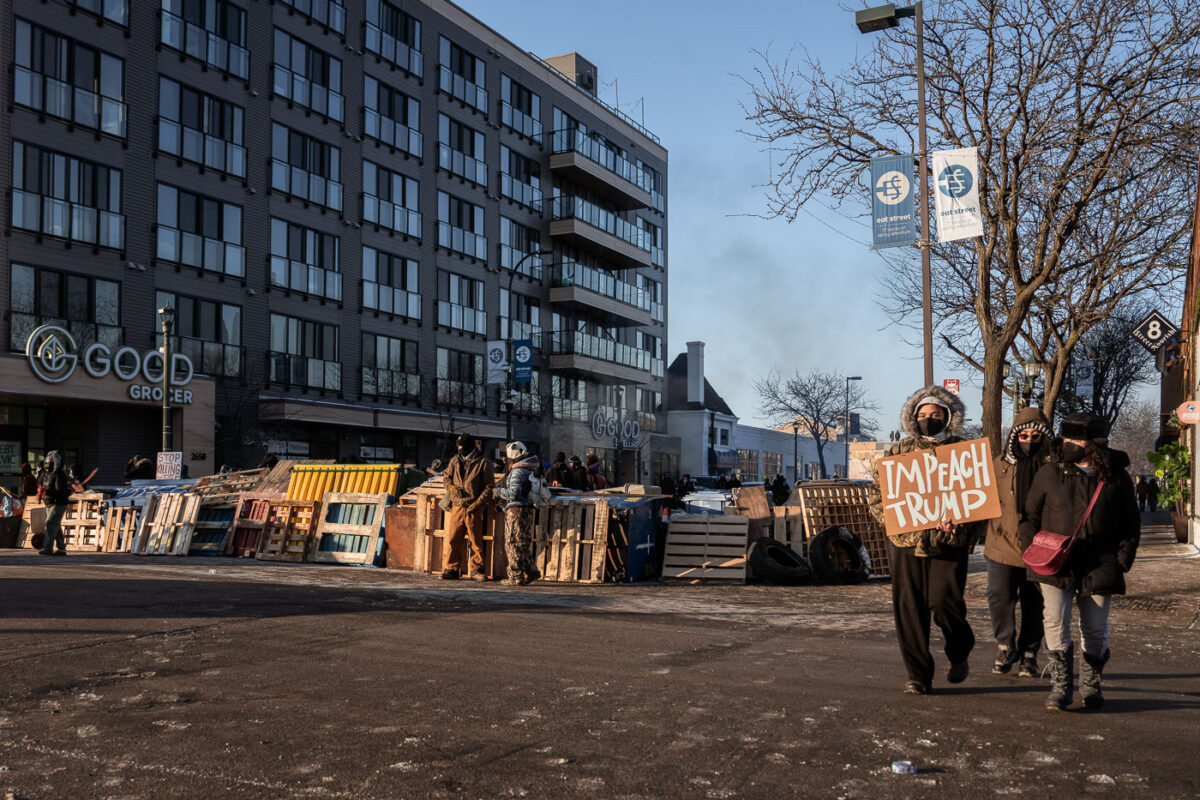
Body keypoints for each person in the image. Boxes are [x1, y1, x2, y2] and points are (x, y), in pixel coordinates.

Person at [1019, 412, 1140, 711]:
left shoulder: (1116, 476)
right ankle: (1061, 685)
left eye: (1077, 438)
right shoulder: (1050, 472)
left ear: (1094, 442)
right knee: (1055, 619)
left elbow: (1130, 523)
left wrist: (1122, 559)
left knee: (1096, 628)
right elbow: (1029, 517)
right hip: (1055, 562)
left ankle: (1090, 682)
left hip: (1101, 563)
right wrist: (1033, 553)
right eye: (1067, 437)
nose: (1069, 443)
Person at [868, 384, 981, 695]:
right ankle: (918, 675)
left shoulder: (964, 452)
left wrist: (962, 525)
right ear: (912, 418)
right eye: (922, 414)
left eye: (935, 414)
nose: (928, 418)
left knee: (945, 602)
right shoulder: (897, 452)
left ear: (948, 416)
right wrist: (898, 523)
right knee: (909, 608)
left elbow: (979, 501)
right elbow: (877, 497)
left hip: (948, 544)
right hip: (906, 543)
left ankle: (959, 649)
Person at [984, 407, 1053, 678]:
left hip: (1040, 546)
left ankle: (1029, 653)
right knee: (999, 596)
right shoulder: (998, 464)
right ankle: (1005, 645)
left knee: (1035, 602)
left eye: (1036, 436)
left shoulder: (1054, 467)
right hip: (1001, 543)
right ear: (1014, 436)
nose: (1029, 440)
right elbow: (979, 498)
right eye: (1023, 434)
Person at [440, 432, 494, 581]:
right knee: (453, 539)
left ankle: (477, 569)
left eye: (462, 446)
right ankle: (451, 568)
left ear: (470, 446)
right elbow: (446, 477)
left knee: (475, 540)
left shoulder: (483, 462)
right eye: (458, 446)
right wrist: (450, 487)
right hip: (457, 506)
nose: (459, 449)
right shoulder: (454, 461)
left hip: (473, 507)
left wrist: (478, 503)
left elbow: (489, 486)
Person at [496, 441, 541, 586]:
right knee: (522, 543)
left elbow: (513, 492)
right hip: (526, 510)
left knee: (512, 543)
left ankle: (515, 576)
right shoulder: (529, 468)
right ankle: (531, 571)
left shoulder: (517, 471)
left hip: (515, 511)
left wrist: (499, 492)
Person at [38, 451, 79, 556]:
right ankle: (61, 549)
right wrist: (39, 492)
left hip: (59, 502)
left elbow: (60, 491)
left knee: (50, 523)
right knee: (55, 525)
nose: (47, 464)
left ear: (56, 463)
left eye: (50, 462)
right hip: (48, 501)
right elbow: (39, 484)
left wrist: (46, 492)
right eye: (46, 462)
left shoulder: (59, 475)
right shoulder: (44, 473)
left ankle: (47, 548)